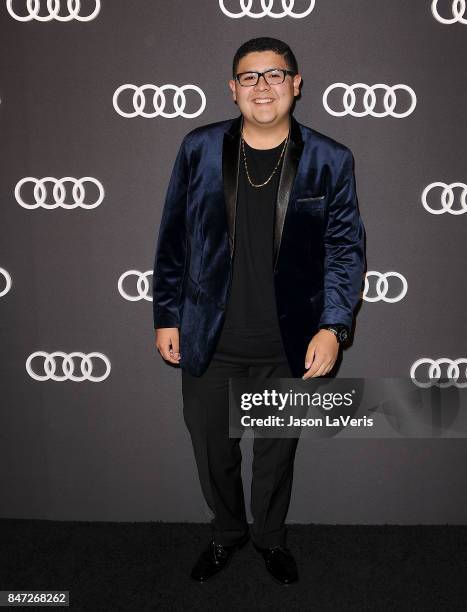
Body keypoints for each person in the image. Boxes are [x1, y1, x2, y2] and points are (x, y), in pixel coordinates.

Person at [152, 37, 366, 585]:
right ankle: (227, 534)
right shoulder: (198, 148)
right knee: (213, 456)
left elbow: (344, 250)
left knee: (275, 459)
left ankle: (270, 540)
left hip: (285, 343)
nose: (262, 86)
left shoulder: (330, 158)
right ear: (232, 89)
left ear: (297, 84)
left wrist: (333, 327)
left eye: (275, 75)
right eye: (250, 77)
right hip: (209, 339)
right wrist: (166, 315)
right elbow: (173, 236)